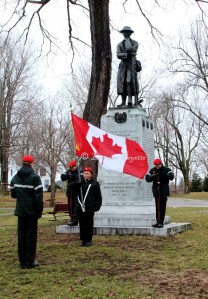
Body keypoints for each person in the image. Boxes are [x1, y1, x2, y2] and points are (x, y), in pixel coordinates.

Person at [10, 155, 43, 268]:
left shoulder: (15, 177)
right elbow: (38, 197)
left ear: (23, 163)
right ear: (31, 163)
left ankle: (22, 261)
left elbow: (13, 194)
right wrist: (39, 211)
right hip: (32, 211)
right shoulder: (35, 177)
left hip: (20, 210)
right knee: (31, 236)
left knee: (21, 235)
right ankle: (29, 261)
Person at [68, 167, 102, 246]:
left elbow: (98, 196)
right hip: (80, 208)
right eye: (84, 173)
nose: (86, 175)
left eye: (87, 173)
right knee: (82, 224)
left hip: (89, 208)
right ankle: (83, 240)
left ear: (91, 175)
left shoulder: (95, 183)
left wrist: (97, 206)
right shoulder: (80, 183)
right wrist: (77, 183)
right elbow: (69, 187)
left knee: (89, 224)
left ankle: (89, 240)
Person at [145, 158, 174, 228]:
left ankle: (161, 222)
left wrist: (164, 175)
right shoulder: (152, 170)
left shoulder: (167, 169)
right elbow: (147, 179)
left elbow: (171, 177)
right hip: (156, 191)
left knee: (162, 207)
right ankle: (158, 222)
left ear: (161, 164)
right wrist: (153, 176)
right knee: (157, 207)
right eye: (156, 165)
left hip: (163, 191)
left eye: (159, 165)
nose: (157, 166)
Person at [117, 26, 141, 107]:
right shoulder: (119, 44)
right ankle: (123, 102)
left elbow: (130, 49)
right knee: (122, 83)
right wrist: (127, 55)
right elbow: (118, 55)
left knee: (129, 81)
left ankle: (130, 100)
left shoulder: (135, 43)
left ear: (130, 33)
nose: (125, 34)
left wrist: (127, 41)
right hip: (123, 65)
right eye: (124, 32)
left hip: (132, 64)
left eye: (127, 32)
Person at [61, 160, 79, 226]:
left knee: (76, 206)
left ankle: (76, 219)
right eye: (71, 168)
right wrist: (68, 175)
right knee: (71, 207)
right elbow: (63, 177)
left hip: (77, 192)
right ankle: (72, 219)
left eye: (73, 167)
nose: (72, 169)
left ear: (75, 166)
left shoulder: (79, 171)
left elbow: (79, 178)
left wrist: (73, 175)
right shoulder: (69, 172)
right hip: (70, 192)